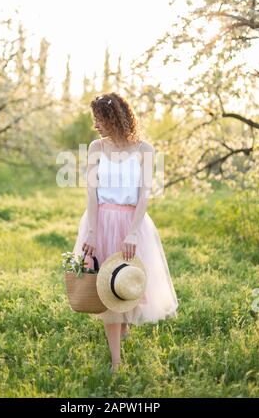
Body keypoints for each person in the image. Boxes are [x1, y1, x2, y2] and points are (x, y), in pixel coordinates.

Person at [72, 92, 178, 373]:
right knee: (107, 289)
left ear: (115, 118)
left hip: (133, 223)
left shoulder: (145, 150)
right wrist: (92, 233)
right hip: (102, 220)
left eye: (99, 119)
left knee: (128, 282)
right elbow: (91, 194)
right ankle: (116, 362)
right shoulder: (96, 148)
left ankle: (125, 326)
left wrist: (132, 233)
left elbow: (144, 195)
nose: (95, 125)